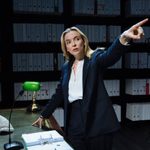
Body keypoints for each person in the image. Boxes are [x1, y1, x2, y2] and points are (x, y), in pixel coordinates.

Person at [32, 18, 149, 150]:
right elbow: (59, 94)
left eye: (77, 39)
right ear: (67, 48)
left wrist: (123, 38)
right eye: (68, 42)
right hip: (74, 121)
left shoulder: (94, 58)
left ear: (83, 41)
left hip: (97, 121)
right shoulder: (66, 67)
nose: (74, 44)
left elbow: (110, 56)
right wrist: (44, 114)